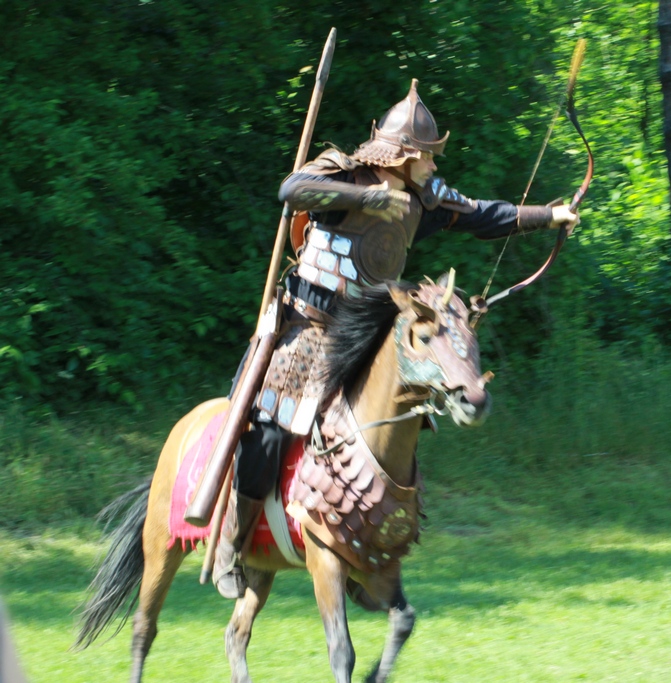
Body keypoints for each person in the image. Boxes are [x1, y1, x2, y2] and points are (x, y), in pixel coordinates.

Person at [213, 78, 579, 599]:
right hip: (304, 331)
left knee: (391, 432)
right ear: (401, 155)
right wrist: (368, 197)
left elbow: (483, 214)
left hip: (364, 339)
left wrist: (549, 215)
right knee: (269, 432)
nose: (432, 165)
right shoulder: (345, 172)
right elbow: (292, 190)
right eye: (425, 156)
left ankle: (361, 550)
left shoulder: (426, 198)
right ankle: (233, 544)